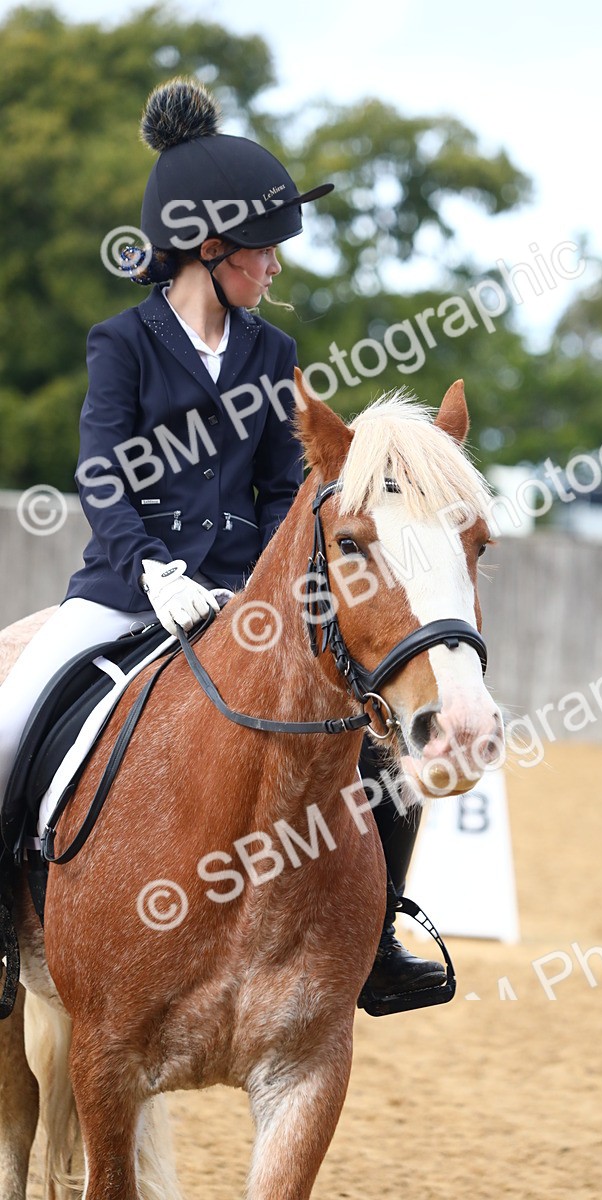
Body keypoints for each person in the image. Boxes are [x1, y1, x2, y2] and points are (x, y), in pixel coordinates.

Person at [0, 78, 445, 1004]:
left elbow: (287, 488)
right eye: (264, 250)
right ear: (211, 249)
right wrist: (152, 571)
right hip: (125, 590)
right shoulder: (122, 343)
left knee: (374, 747)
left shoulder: (272, 354)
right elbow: (103, 474)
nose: (275, 266)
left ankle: (378, 938)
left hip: (246, 600)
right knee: (9, 728)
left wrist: (274, 586)